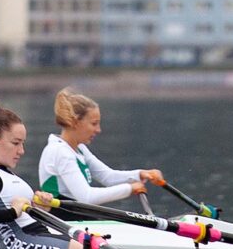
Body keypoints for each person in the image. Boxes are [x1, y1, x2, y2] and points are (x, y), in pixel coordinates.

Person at [0, 99, 96, 249]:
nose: (21, 151)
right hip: (18, 244)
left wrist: (40, 205)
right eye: (16, 143)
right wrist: (12, 213)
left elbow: (18, 208)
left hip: (37, 237)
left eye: (22, 143)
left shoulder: (2, 170)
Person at [36, 89, 164, 207]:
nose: (98, 130)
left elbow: (108, 177)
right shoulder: (60, 152)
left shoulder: (79, 148)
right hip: (62, 221)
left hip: (78, 218)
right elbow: (87, 197)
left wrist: (141, 174)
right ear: (75, 122)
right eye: (94, 124)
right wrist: (130, 189)